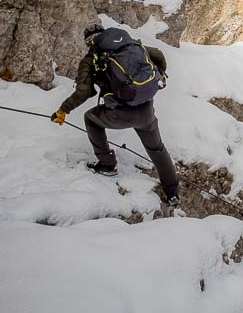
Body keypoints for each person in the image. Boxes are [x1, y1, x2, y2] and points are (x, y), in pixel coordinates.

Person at [50, 24, 179, 206]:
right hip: (146, 111)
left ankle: (107, 164)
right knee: (157, 149)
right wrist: (160, 74)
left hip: (119, 113)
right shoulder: (131, 46)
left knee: (91, 119)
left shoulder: (91, 60)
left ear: (89, 42)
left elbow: (84, 92)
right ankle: (172, 193)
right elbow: (157, 54)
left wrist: (63, 110)